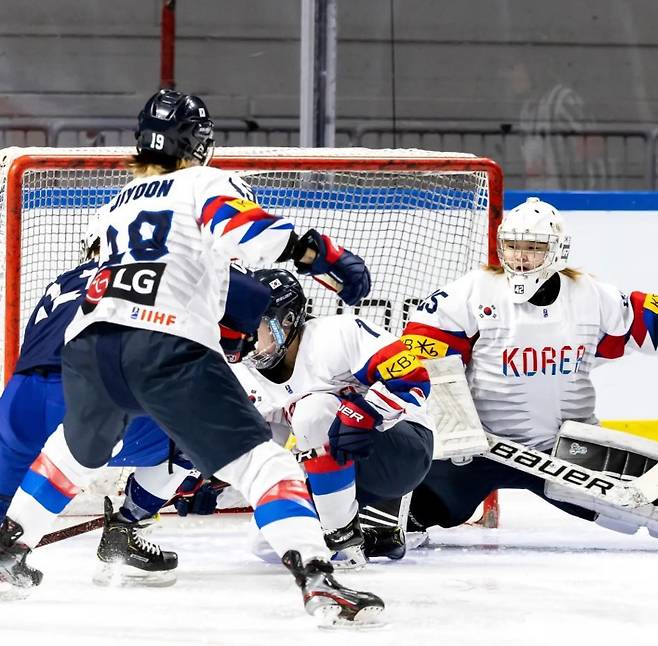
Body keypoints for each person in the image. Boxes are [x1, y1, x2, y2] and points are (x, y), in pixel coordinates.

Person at [0, 88, 382, 624]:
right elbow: (255, 236)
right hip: (163, 343)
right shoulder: (204, 181)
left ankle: (8, 550)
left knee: (74, 451)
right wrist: (326, 254)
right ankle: (320, 580)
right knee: (263, 461)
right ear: (198, 142)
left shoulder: (112, 206)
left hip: (87, 346)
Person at [401, 196, 658, 532]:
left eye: (534, 247)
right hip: (481, 451)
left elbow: (647, 322)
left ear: (557, 251)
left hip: (566, 453)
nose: (520, 257)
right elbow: (423, 354)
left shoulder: (591, 296)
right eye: (511, 246)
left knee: (645, 511)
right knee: (417, 513)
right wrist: (456, 428)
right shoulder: (472, 292)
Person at [0, 219, 195, 586]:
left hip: (17, 401)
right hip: (79, 398)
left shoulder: (62, 281)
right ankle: (126, 530)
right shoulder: (152, 275)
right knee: (199, 428)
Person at [231, 268, 434, 564]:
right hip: (331, 466)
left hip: (402, 452)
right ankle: (372, 535)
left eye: (255, 327)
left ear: (286, 321)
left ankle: (343, 534)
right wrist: (214, 474)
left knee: (313, 412)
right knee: (270, 543)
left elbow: (414, 380)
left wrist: (367, 413)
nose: (246, 338)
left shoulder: (339, 334)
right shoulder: (243, 373)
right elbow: (265, 445)